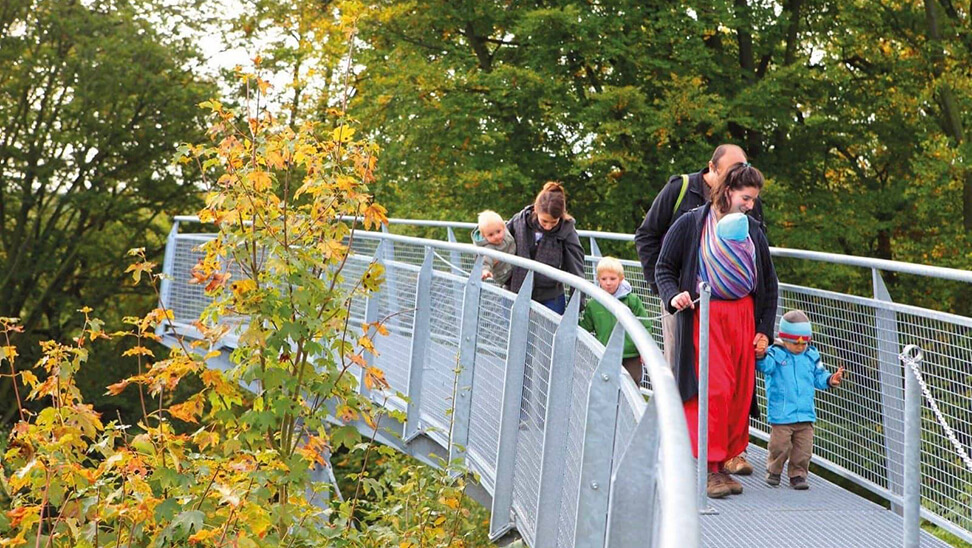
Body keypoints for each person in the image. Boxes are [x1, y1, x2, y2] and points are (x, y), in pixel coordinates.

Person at [635, 144, 766, 477]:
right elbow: (663, 263)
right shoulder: (691, 221)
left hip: (742, 316)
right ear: (726, 190)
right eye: (746, 199)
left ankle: (731, 453)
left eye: (753, 200)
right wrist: (668, 294)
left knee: (739, 389)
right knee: (710, 387)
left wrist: (763, 327)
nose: (751, 206)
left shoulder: (751, 229)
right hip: (702, 313)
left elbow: (768, 281)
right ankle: (707, 464)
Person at [757, 310, 844, 490]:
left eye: (805, 342)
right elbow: (765, 367)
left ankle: (798, 475)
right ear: (785, 339)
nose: (800, 346)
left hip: (805, 413)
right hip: (782, 413)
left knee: (803, 450)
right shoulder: (776, 353)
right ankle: (774, 470)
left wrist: (830, 380)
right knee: (779, 446)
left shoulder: (811, 355)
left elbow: (819, 376)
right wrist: (761, 355)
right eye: (796, 342)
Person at [507, 182, 585, 314]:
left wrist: (577, 304)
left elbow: (576, 267)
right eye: (544, 221)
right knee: (515, 333)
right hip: (516, 290)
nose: (548, 227)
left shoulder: (567, 231)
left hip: (550, 296)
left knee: (550, 334)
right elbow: (496, 239)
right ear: (536, 210)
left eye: (554, 222)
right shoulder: (519, 221)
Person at [579, 257, 650, 383]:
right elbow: (585, 326)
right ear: (598, 279)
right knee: (606, 385)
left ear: (621, 279)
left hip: (630, 354)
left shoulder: (632, 300)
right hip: (606, 353)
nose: (608, 283)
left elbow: (644, 324)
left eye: (612, 279)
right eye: (604, 279)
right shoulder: (594, 304)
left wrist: (645, 350)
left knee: (631, 387)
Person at [471, 210, 516, 286]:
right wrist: (485, 271)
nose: (496, 237)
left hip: (512, 266)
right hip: (504, 275)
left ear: (504, 227)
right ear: (484, 236)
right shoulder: (489, 247)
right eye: (491, 235)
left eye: (498, 231)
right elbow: (486, 260)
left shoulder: (505, 231)